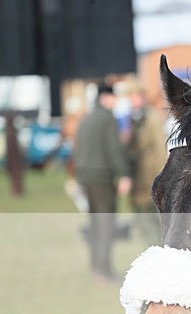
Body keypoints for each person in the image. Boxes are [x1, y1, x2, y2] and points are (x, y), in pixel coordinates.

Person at [73, 82, 131, 283]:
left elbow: (77, 149)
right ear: (106, 97)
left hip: (86, 178)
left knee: (95, 224)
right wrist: (123, 174)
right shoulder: (108, 119)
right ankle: (103, 271)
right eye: (114, 97)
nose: (115, 102)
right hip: (102, 179)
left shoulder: (86, 119)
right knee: (106, 225)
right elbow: (113, 149)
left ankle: (95, 267)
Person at [126, 86, 168, 246]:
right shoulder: (136, 117)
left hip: (150, 177)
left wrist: (161, 177)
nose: (131, 100)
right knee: (142, 220)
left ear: (141, 96)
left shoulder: (151, 117)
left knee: (152, 223)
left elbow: (159, 148)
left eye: (133, 96)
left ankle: (156, 255)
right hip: (139, 177)